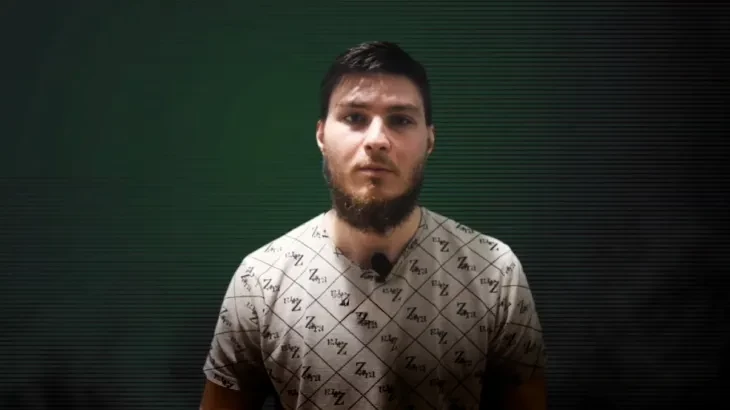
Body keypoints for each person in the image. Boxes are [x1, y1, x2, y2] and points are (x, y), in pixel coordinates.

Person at [199, 41, 547, 410]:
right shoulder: (260, 280)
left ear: (430, 140)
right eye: (354, 118)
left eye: (401, 120)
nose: (377, 140)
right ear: (321, 135)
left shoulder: (495, 272)